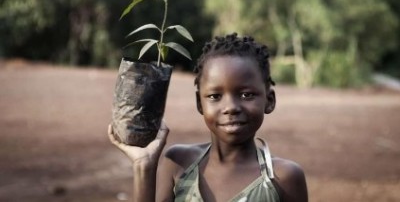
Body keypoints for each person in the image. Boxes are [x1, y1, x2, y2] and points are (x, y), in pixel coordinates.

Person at [108, 32, 308, 202]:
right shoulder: (178, 163)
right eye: (215, 96)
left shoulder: (283, 178)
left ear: (269, 100)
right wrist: (143, 166)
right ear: (199, 103)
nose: (230, 107)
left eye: (246, 95)